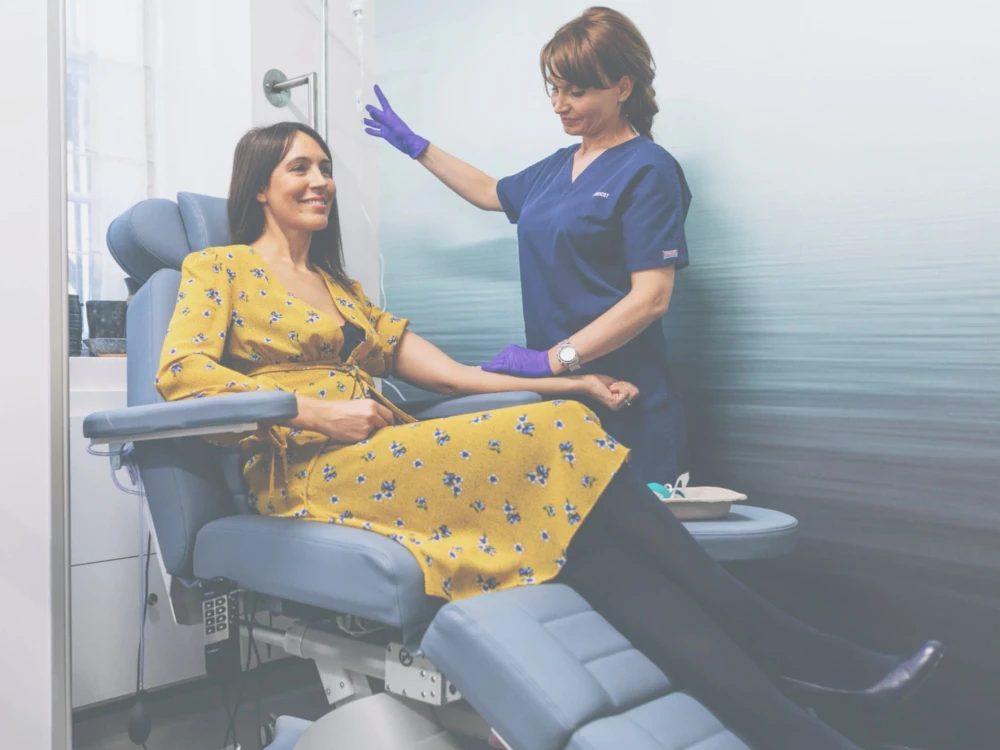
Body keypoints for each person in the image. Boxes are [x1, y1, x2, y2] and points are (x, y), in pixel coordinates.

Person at [157, 121, 942, 750]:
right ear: (259, 185)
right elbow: (181, 376)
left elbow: (453, 375)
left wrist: (567, 379)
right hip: (303, 468)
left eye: (325, 166)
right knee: (560, 437)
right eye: (299, 167)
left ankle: (787, 729)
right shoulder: (216, 269)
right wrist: (311, 413)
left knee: (590, 536)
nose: (320, 179)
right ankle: (798, 653)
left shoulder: (341, 290)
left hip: (381, 451)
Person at [363, 7, 690, 487]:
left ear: (623, 87)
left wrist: (555, 359)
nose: (560, 104)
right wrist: (417, 147)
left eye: (577, 91)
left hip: (627, 394)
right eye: (554, 89)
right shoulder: (557, 167)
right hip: (559, 399)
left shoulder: (649, 170)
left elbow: (652, 298)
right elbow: (490, 192)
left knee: (633, 551)